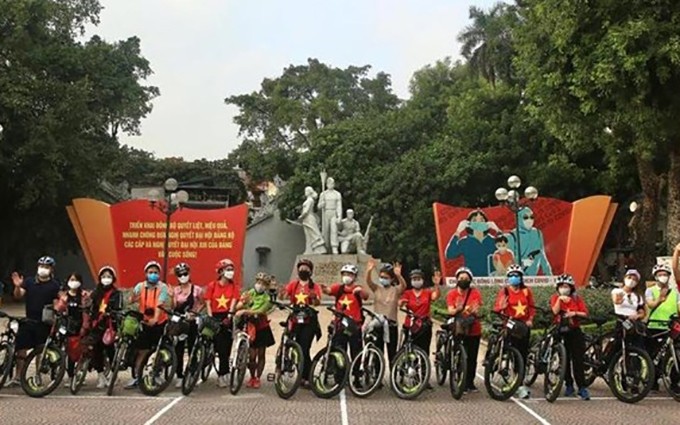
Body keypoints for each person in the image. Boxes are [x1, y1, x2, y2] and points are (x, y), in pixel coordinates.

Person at [9, 256, 61, 387]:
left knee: (40, 350)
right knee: (21, 349)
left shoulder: (55, 285)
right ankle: (18, 377)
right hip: (28, 320)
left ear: (51, 269)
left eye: (46, 267)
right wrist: (17, 286)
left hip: (44, 322)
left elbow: (58, 301)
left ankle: (37, 375)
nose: (43, 269)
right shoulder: (29, 281)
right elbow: (18, 295)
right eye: (41, 266)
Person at [125, 261, 170, 389]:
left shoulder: (163, 287)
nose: (153, 275)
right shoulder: (140, 286)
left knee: (157, 350)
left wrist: (155, 319)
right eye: (150, 272)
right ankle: (137, 378)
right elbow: (131, 299)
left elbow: (159, 304)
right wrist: (132, 298)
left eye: (156, 273)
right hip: (144, 321)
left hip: (159, 322)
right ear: (145, 274)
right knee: (142, 350)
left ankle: (156, 374)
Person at [493, 264, 535, 399]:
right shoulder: (504, 291)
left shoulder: (526, 291)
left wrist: (530, 319)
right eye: (511, 276)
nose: (514, 278)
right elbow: (497, 309)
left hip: (523, 325)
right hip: (510, 324)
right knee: (511, 351)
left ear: (521, 277)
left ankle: (519, 383)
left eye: (516, 275)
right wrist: (502, 307)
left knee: (522, 355)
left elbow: (532, 308)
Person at [282, 259, 322, 388]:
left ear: (310, 271)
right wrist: (280, 291)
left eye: (306, 269)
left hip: (309, 320)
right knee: (294, 345)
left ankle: (307, 376)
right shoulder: (293, 285)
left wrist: (314, 297)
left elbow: (317, 303)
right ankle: (294, 371)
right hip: (295, 317)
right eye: (301, 268)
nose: (303, 271)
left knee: (304, 348)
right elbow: (283, 296)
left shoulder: (314, 286)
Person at [550, 274, 590, 400]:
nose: (564, 288)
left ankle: (582, 387)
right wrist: (560, 300)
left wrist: (574, 313)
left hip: (574, 330)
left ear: (571, 287)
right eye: (561, 286)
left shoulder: (576, 298)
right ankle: (569, 385)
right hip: (560, 330)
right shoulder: (555, 297)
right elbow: (555, 311)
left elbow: (585, 313)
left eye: (566, 286)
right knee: (564, 359)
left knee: (578, 359)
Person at [205, 258, 241, 388]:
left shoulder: (234, 287)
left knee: (226, 348)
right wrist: (210, 317)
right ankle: (216, 371)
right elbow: (208, 302)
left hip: (226, 317)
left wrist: (230, 315)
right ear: (220, 272)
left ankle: (223, 373)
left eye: (232, 269)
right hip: (214, 316)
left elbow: (234, 301)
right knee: (217, 346)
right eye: (228, 269)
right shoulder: (212, 285)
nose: (231, 272)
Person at [236, 272, 275, 389]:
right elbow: (237, 307)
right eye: (258, 282)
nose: (260, 285)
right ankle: (252, 376)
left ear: (266, 286)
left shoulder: (267, 298)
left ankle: (258, 377)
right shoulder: (249, 293)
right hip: (249, 326)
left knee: (261, 354)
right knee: (252, 356)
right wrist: (242, 303)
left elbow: (261, 311)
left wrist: (244, 311)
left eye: (263, 284)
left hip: (262, 327)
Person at [446, 267, 483, 393]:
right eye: (461, 278)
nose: (463, 280)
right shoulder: (452, 294)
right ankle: (458, 378)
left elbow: (476, 308)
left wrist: (473, 310)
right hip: (459, 328)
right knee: (458, 355)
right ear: (456, 279)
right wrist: (458, 309)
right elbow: (450, 310)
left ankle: (470, 383)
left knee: (472, 357)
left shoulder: (475, 293)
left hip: (473, 329)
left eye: (466, 279)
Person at [321, 264, 369, 360]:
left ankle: (355, 372)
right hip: (340, 324)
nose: (347, 276)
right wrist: (323, 288)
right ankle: (341, 372)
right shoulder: (338, 288)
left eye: (350, 274)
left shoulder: (358, 288)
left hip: (355, 324)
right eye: (345, 274)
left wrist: (360, 291)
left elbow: (366, 296)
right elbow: (328, 291)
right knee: (339, 349)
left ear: (354, 276)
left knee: (356, 351)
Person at [645, 263, 680, 391]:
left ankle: (675, 381)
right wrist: (660, 298)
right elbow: (650, 304)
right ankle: (652, 380)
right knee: (653, 354)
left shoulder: (675, 292)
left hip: (672, 326)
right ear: (655, 277)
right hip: (655, 325)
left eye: (665, 274)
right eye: (660, 275)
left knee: (675, 354)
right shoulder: (651, 290)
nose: (663, 277)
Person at [365, 259, 406, 368]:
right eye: (381, 277)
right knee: (378, 351)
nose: (383, 279)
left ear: (391, 279)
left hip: (391, 324)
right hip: (378, 324)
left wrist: (399, 276)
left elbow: (404, 286)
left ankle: (393, 375)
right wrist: (369, 271)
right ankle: (378, 377)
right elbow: (368, 282)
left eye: (386, 277)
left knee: (392, 352)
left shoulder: (395, 290)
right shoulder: (377, 288)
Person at [89, 265, 123, 389]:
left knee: (110, 350)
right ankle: (100, 376)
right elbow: (91, 307)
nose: (106, 279)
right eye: (103, 276)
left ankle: (114, 375)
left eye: (109, 276)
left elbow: (118, 308)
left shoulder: (116, 293)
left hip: (109, 325)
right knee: (96, 351)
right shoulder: (96, 292)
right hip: (96, 325)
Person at [171, 262, 204, 388]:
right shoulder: (175, 290)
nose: (183, 276)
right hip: (179, 322)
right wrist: (170, 297)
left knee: (192, 348)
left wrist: (195, 313)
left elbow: (202, 303)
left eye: (185, 273)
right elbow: (174, 307)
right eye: (180, 274)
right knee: (178, 349)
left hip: (192, 322)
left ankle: (191, 373)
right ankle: (179, 375)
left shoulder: (197, 289)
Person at [399, 269, 442, 362]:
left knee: (424, 349)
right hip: (410, 324)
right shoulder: (408, 293)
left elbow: (435, 296)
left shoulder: (427, 292)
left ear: (422, 280)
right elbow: (401, 303)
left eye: (418, 278)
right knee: (407, 347)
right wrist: (401, 302)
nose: (416, 280)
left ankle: (423, 372)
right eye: (414, 278)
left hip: (424, 325)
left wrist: (437, 285)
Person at [445, 210, 501, 277]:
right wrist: (458, 232)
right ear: (469, 224)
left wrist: (498, 230)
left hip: (492, 280)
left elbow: (509, 251)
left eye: (481, 220)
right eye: (474, 220)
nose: (478, 223)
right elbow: (449, 254)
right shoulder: (465, 242)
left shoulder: (493, 241)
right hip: (472, 280)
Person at [57, 273, 89, 386]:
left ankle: (79, 373)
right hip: (67, 327)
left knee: (80, 352)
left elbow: (87, 312)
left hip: (80, 326)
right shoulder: (65, 295)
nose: (73, 281)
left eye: (76, 279)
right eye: (71, 279)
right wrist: (62, 300)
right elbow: (59, 309)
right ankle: (70, 376)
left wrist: (85, 326)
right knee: (70, 352)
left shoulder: (84, 295)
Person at [611, 269, 646, 348]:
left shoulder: (638, 296)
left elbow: (642, 312)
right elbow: (616, 301)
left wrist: (637, 316)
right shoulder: (617, 291)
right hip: (621, 320)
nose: (631, 281)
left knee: (635, 344)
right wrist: (620, 299)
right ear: (625, 278)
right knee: (617, 344)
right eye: (629, 277)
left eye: (634, 279)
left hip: (633, 322)